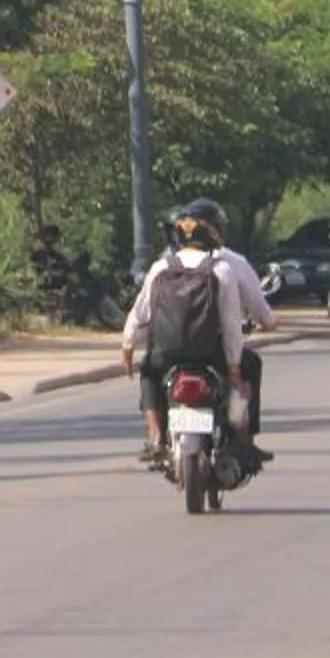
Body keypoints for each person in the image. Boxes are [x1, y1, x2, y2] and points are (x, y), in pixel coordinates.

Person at [119, 199, 273, 472]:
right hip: (210, 354)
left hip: (167, 355)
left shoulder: (160, 268)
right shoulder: (225, 268)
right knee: (249, 371)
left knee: (149, 372)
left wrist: (128, 346)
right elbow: (230, 326)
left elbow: (141, 313)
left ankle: (155, 436)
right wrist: (234, 367)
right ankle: (242, 436)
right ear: (212, 235)